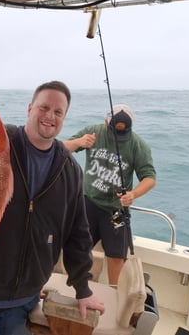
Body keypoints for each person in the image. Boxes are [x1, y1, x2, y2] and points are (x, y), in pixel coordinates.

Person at [0, 81, 105, 335]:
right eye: (44, 107)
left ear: (64, 118)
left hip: (27, 297)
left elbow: (77, 232)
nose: (50, 116)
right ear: (30, 109)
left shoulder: (69, 169)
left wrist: (83, 288)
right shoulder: (1, 142)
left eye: (58, 112)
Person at [63, 104, 156, 286]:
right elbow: (61, 148)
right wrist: (79, 142)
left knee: (116, 255)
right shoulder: (92, 132)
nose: (118, 138)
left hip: (115, 211)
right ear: (106, 122)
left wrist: (133, 194)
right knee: (79, 247)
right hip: (88, 203)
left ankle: (114, 291)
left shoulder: (138, 145)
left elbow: (150, 178)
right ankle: (77, 285)